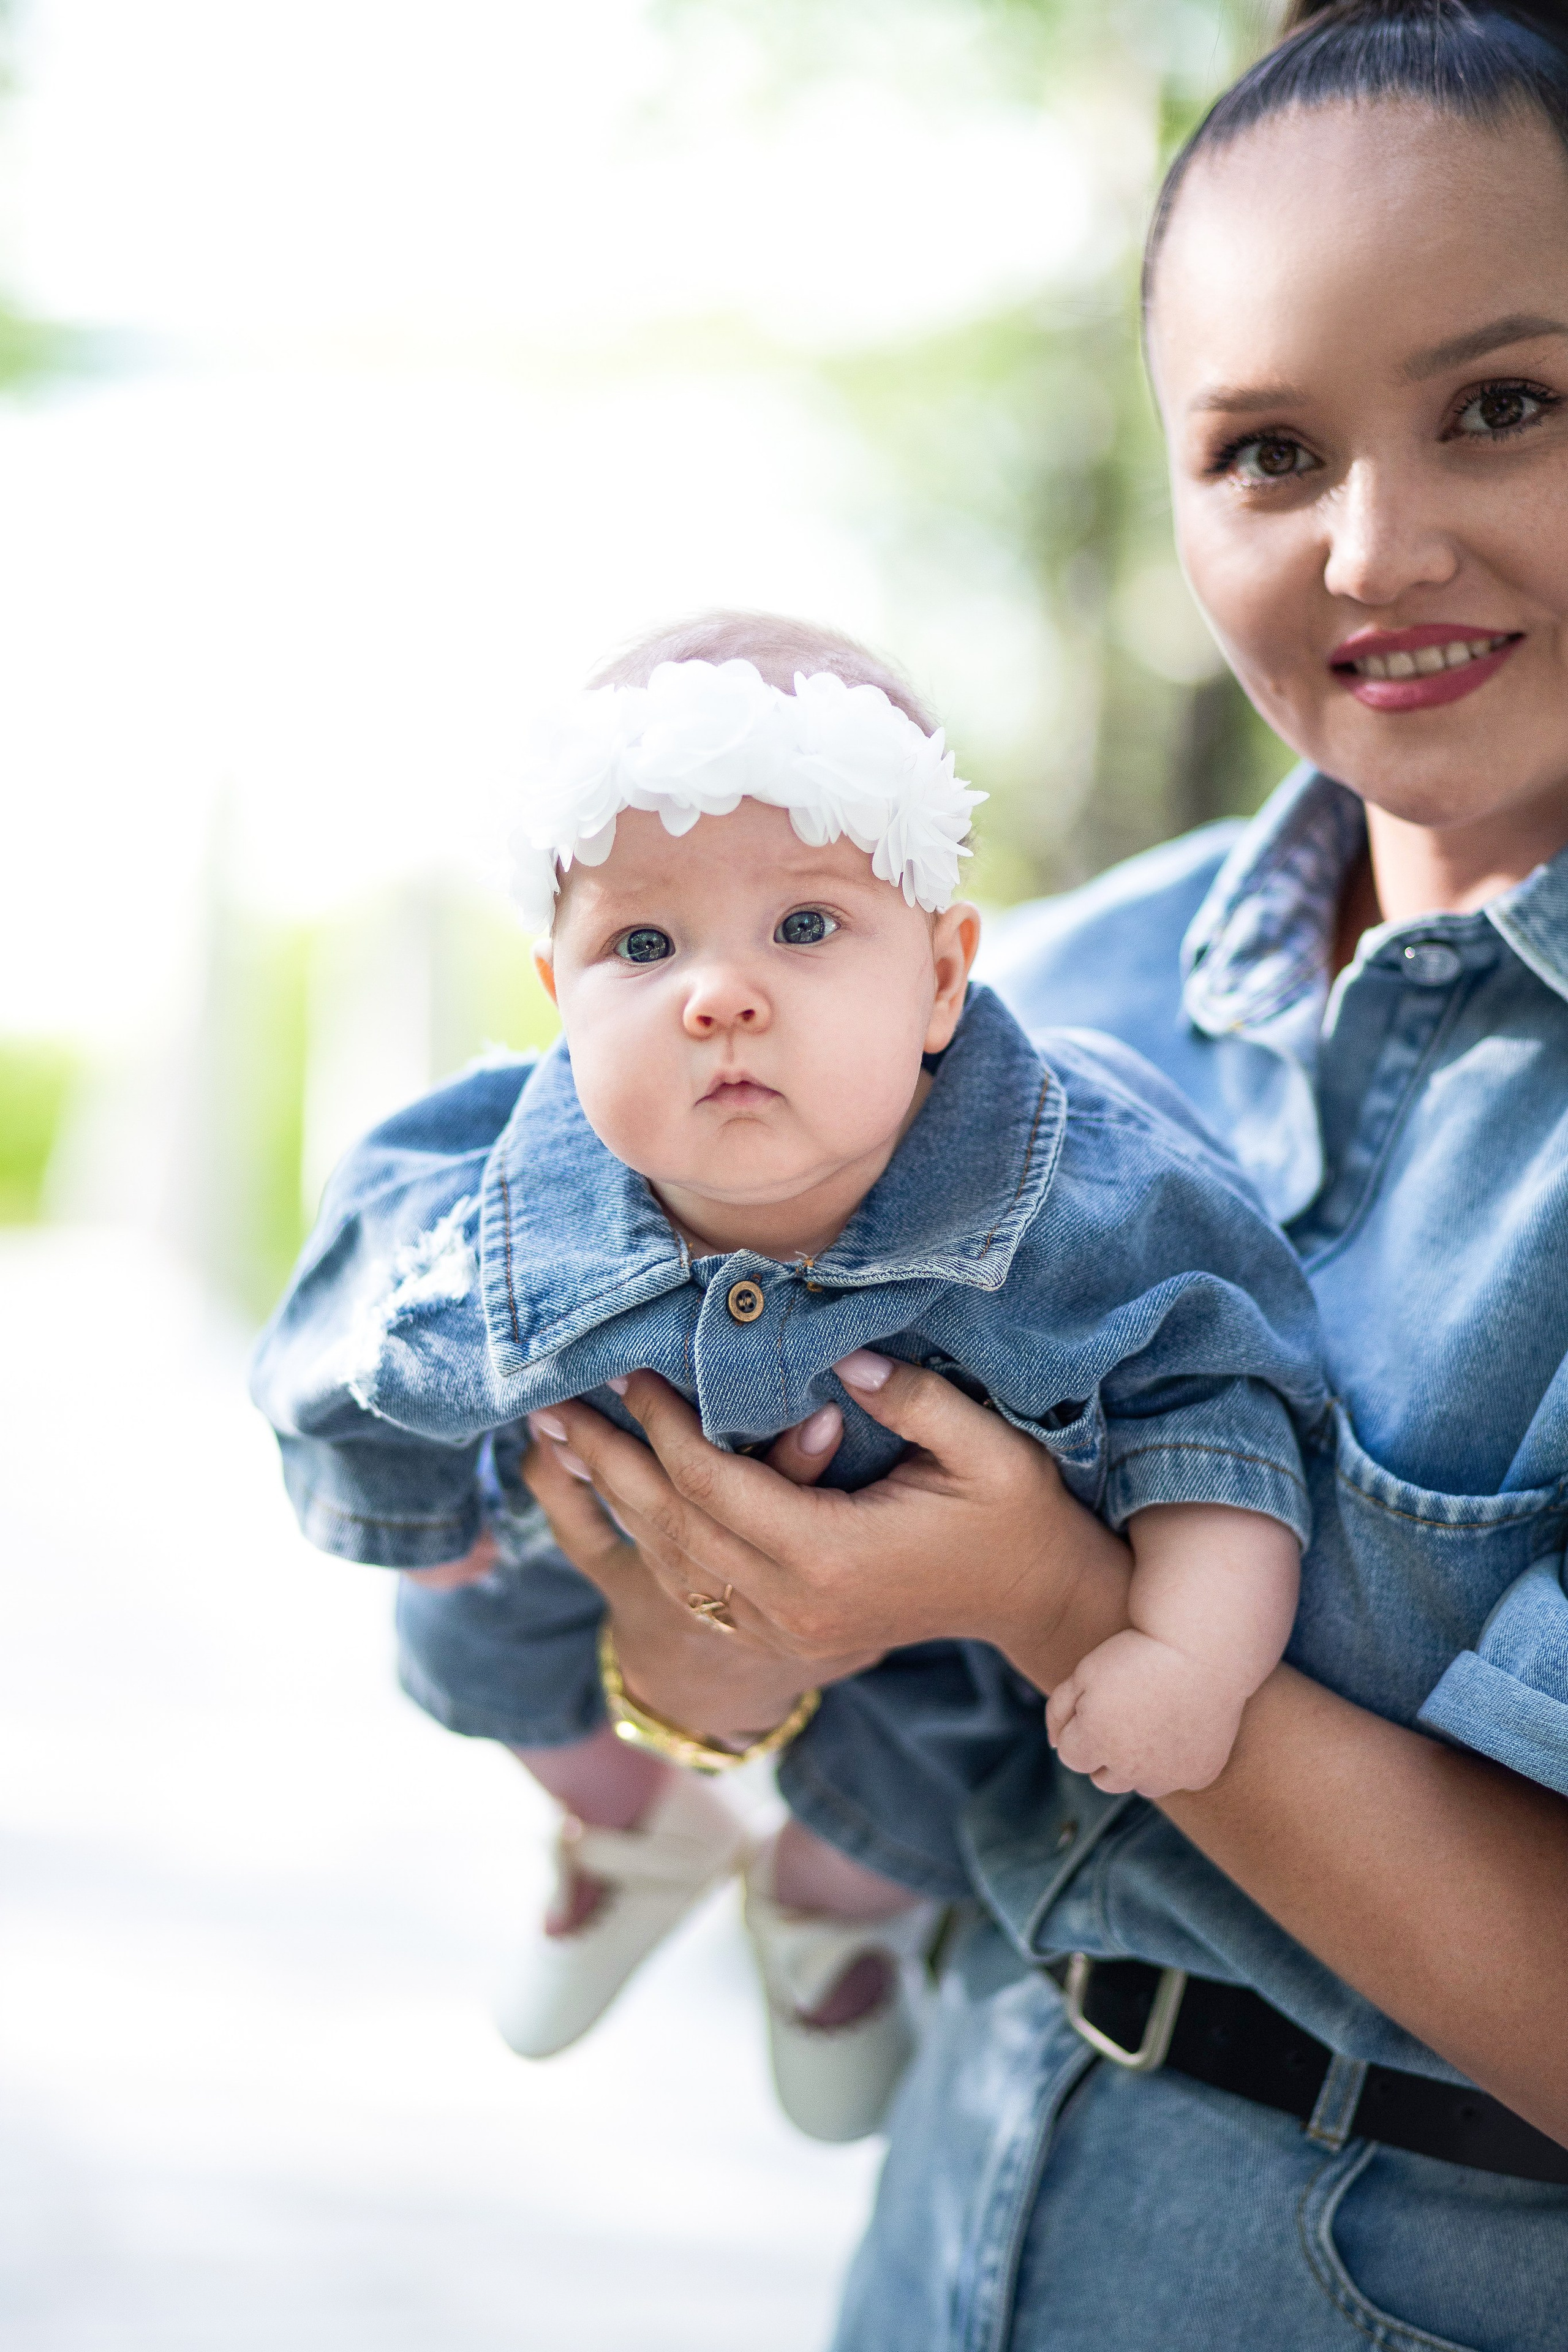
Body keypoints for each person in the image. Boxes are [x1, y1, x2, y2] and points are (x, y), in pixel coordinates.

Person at [511, 4, 1568, 2345]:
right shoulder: (1023, 1007)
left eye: (1506, 405)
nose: (1376, 545)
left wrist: (1079, 1610)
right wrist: (701, 1648)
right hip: (943, 2256)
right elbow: (788, 1660)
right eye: (1267, 449)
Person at [251, 611, 1322, 2144]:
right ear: (557, 996)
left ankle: (828, 1921)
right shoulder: (500, 1188)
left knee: (928, 1786)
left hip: (936, 1627)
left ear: (941, 979)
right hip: (590, 1541)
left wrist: (1186, 1653)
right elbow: (356, 1326)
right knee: (458, 1635)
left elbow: (1221, 1401)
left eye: (805, 927)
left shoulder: (1087, 1192)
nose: (719, 995)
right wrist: (404, 1514)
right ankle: (628, 1827)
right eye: (642, 946)